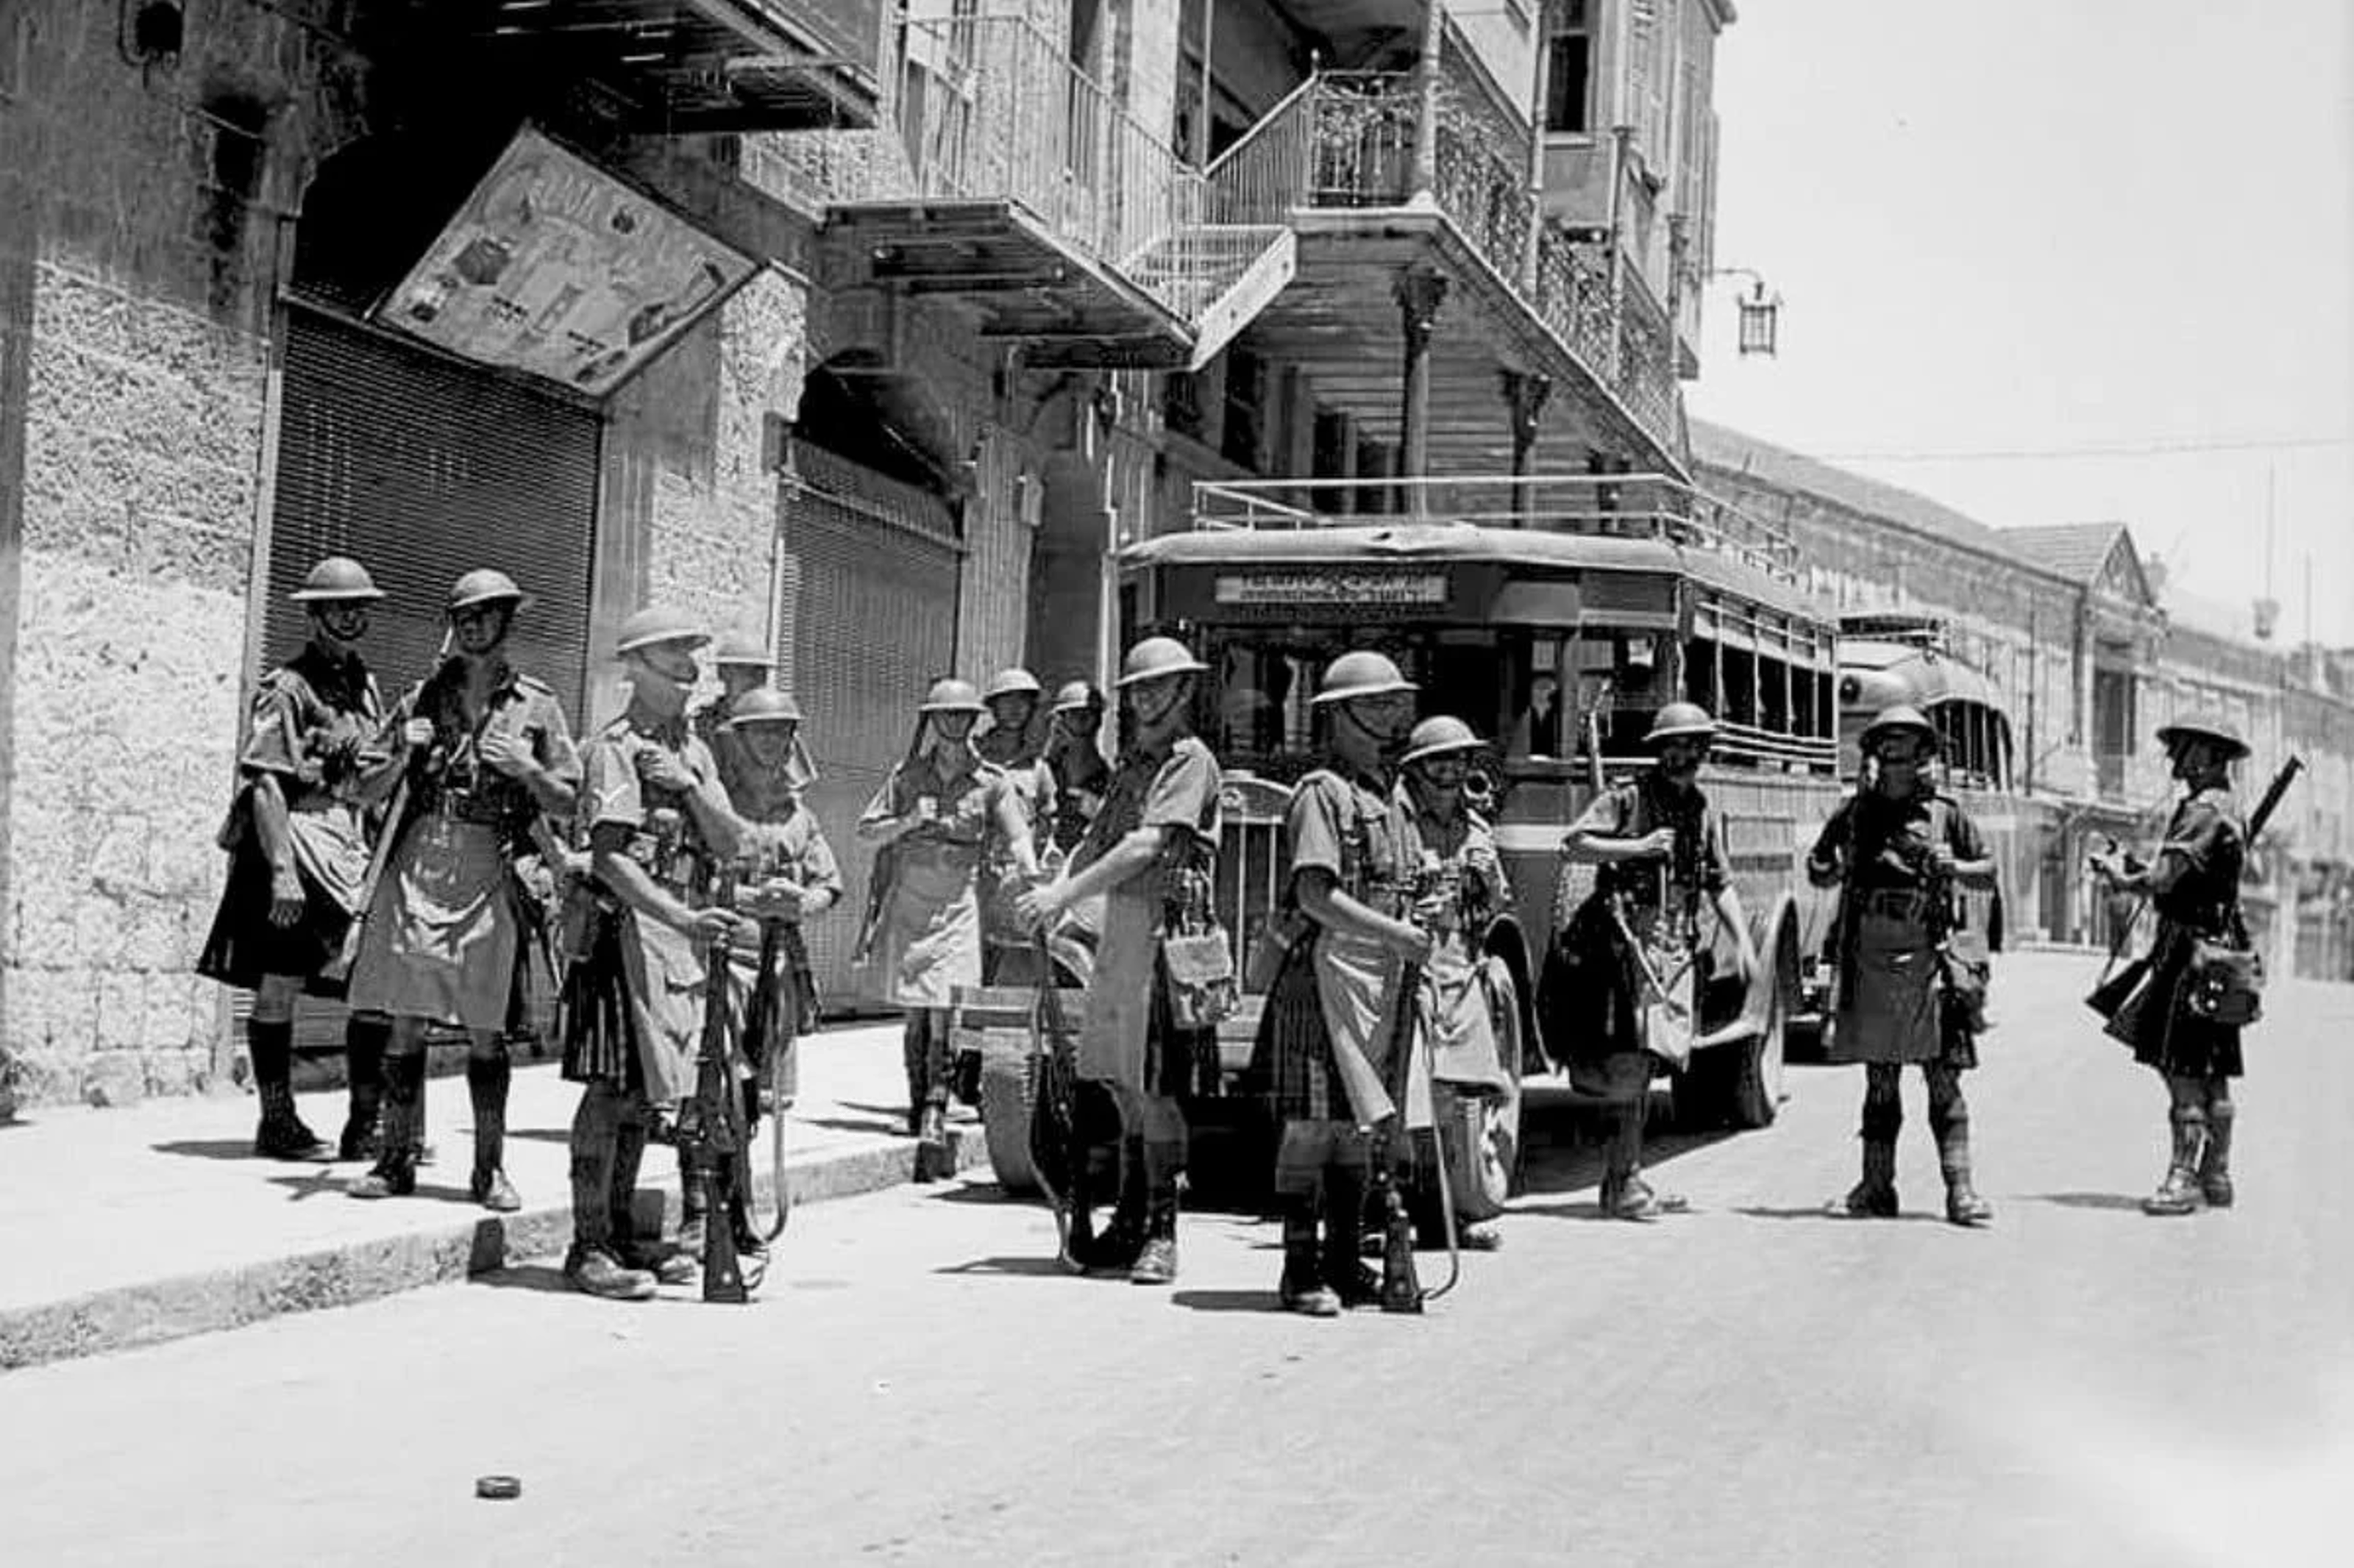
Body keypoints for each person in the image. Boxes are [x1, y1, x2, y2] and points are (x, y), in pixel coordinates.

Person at [346, 569, 580, 1211]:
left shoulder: (537, 705)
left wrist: (526, 768)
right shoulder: (421, 697)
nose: (474, 625)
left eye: (487, 614)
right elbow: (361, 789)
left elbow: (570, 801)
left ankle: (489, 1169)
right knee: (405, 1020)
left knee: (485, 1028)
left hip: (488, 865)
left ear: (507, 621)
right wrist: (402, 752)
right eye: (464, 615)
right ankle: (395, 1159)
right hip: (420, 855)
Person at [1015, 636, 1223, 1285]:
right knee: (1123, 1087)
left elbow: (1147, 845)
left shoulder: (1190, 763)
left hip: (1165, 936)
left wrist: (1062, 896)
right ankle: (1129, 1220)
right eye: (1137, 689)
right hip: (1118, 934)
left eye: (1159, 687)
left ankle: (1163, 1230)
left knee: (1158, 1093)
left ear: (1185, 691)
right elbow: (1100, 841)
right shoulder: (1134, 765)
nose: (1145, 698)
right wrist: (1051, 886)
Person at [559, 608, 749, 1300]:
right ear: (636, 666)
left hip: (674, 940)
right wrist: (683, 915)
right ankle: (587, 1247)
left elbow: (734, 842)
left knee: (645, 1096)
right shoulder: (616, 747)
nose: (689, 666)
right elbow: (609, 860)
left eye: (691, 654)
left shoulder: (689, 751)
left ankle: (617, 1226)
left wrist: (689, 784)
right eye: (673, 653)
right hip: (621, 935)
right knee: (609, 1090)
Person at [196, 556, 398, 1162]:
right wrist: (282, 870)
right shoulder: (286, 686)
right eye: (340, 606)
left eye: (360, 606)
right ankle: (277, 1120)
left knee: (371, 984)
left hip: (344, 844)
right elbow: (265, 784)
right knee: (279, 984)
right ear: (315, 614)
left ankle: (366, 1123)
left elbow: (371, 770)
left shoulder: (363, 684)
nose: (351, 615)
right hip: (292, 843)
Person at [1254, 650, 1432, 1316]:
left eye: (1395, 700)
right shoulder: (1320, 793)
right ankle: (1300, 1269)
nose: (1393, 711)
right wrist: (1398, 936)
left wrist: (1417, 920)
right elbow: (1315, 895)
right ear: (1342, 714)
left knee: (1360, 1128)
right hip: (1319, 977)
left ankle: (1345, 1258)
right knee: (1310, 1128)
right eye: (1380, 701)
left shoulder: (1387, 793)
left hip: (1375, 979)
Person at [1553, 702, 1757, 1221]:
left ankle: (1630, 1176)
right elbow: (1573, 845)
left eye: (1692, 747)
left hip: (1673, 948)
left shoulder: (1700, 808)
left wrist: (1746, 946)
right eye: (1673, 746)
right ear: (1658, 751)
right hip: (1626, 946)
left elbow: (1719, 882)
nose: (1682, 756)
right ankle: (1622, 1182)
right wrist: (1638, 846)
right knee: (1631, 1065)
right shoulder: (1627, 797)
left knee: (1651, 1064)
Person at [1805, 705, 1997, 1226]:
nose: (1896, 756)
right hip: (1871, 956)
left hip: (1929, 957)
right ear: (1875, 754)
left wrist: (1956, 866)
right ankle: (1875, 1186)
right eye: (1887, 746)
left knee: (1943, 1080)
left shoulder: (1946, 814)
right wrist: (1838, 863)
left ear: (1922, 755)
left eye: (1907, 746)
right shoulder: (1855, 814)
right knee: (1880, 1080)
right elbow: (1818, 870)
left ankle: (1961, 1191)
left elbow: (1987, 871)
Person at [857, 678, 1021, 1180]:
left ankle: (936, 1102)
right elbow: (867, 833)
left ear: (974, 720)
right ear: (932, 720)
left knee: (945, 1008)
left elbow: (1017, 833)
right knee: (916, 1011)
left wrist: (1031, 868)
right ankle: (916, 1101)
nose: (954, 724)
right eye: (945, 716)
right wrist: (908, 821)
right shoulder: (907, 775)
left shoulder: (991, 781)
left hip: (958, 902)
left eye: (963, 716)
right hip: (912, 898)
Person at [2090, 714, 2252, 1216]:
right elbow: (2185, 876)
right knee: (2214, 1071)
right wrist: (2144, 870)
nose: (2173, 760)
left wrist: (2123, 877)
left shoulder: (2204, 809)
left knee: (2182, 1067)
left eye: (2181, 749)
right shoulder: (2226, 807)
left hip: (2190, 955)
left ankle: (2184, 1178)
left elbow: (2166, 879)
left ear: (2204, 755)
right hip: (2218, 951)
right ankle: (2217, 1174)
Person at [719, 685, 844, 1253]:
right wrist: (751, 898)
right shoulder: (715, 804)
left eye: (782, 732)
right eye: (761, 731)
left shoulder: (800, 816)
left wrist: (799, 902)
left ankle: (738, 1207)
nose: (772, 742)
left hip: (779, 966)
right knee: (719, 1089)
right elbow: (695, 882)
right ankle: (711, 1210)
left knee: (756, 1099)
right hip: (723, 960)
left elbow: (831, 885)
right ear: (739, 738)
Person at [1398, 715, 1518, 1252]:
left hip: (1460, 969)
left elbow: (1497, 908)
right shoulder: (1399, 824)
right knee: (1407, 1102)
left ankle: (1447, 1215)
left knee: (1454, 1101)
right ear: (1416, 770)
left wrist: (1486, 876)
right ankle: (1399, 1213)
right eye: (1438, 763)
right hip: (1410, 971)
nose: (1451, 772)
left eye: (1459, 761)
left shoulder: (1476, 829)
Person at [975, 668, 1056, 990]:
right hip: (974, 873)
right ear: (992, 707)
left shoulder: (1038, 769)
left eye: (1023, 702)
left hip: (1015, 875)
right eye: (1006, 701)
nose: (1014, 709)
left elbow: (1048, 823)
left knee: (1008, 961)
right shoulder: (973, 757)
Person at [1043, 680, 1112, 855]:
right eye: (1075, 713)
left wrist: (1093, 809)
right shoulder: (1045, 772)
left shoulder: (1110, 780)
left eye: (1089, 714)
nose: (1083, 719)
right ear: (1061, 719)